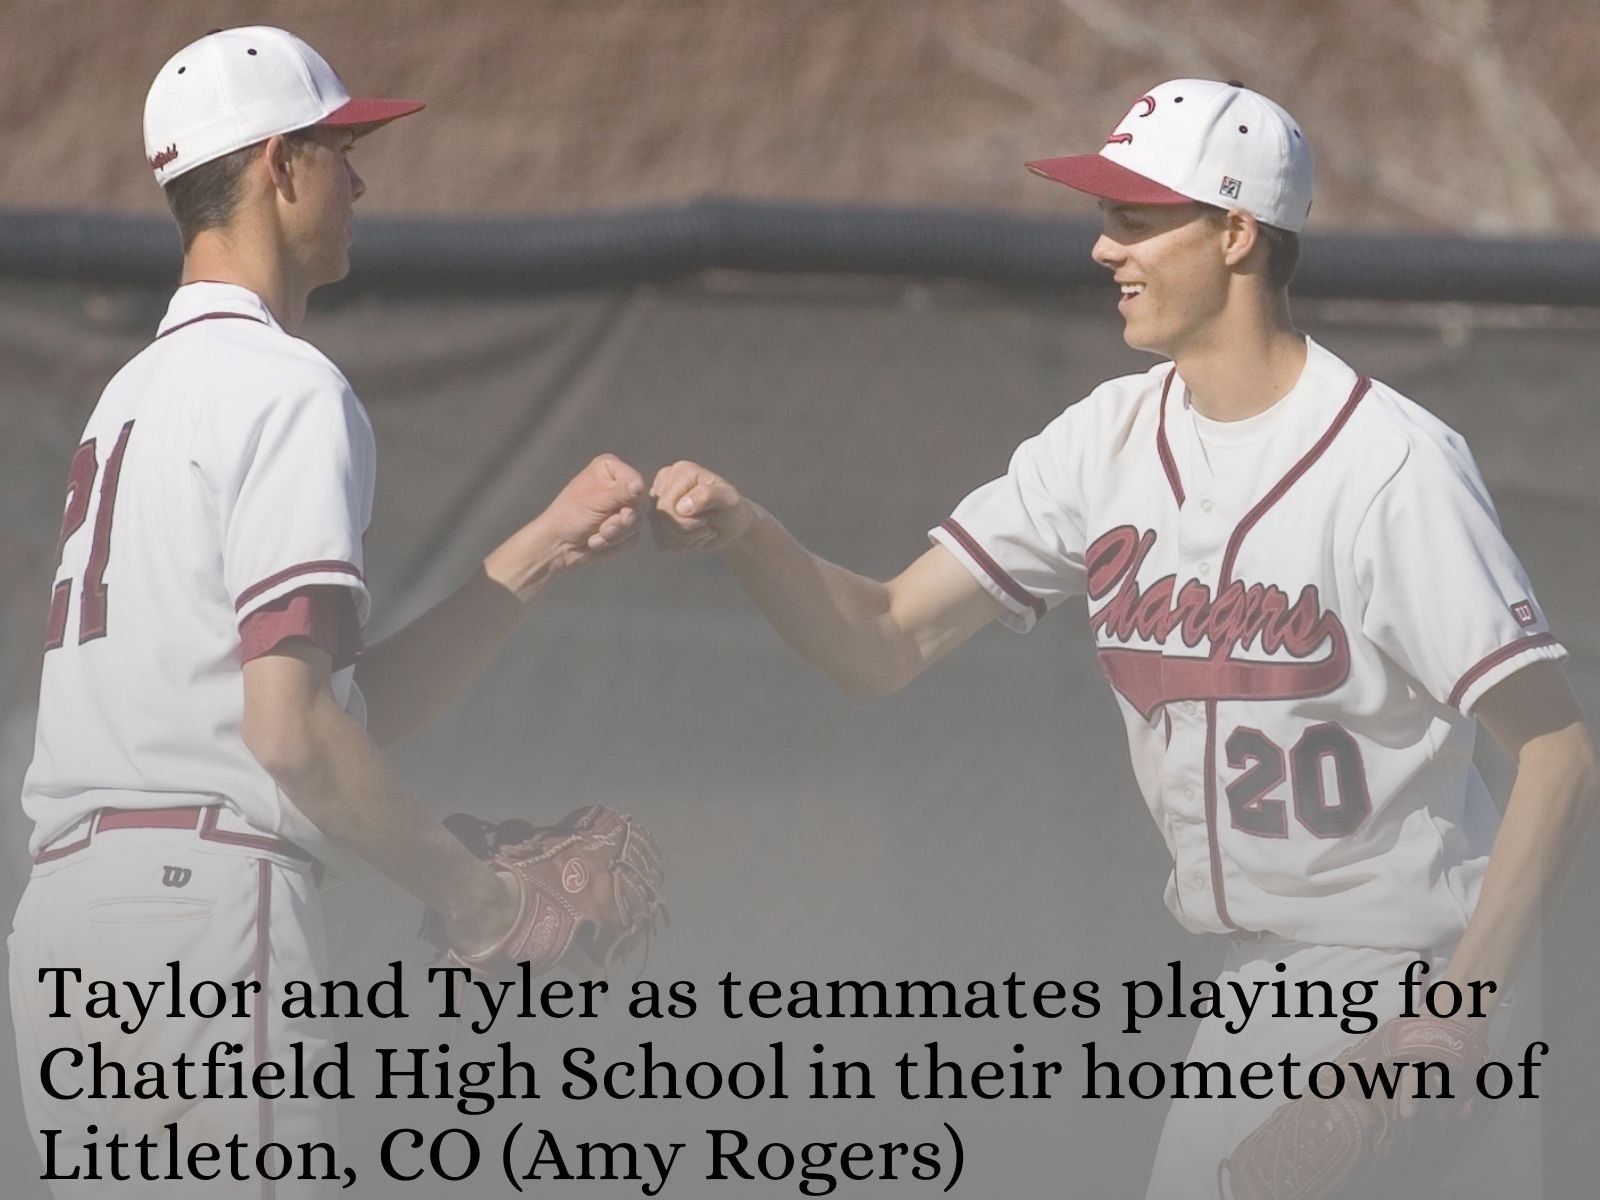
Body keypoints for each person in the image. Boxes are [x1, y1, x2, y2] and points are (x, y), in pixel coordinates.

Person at [648, 79, 1598, 1196]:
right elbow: (884, 640)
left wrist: (1458, 1014)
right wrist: (750, 535)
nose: (1105, 251)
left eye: (1137, 222)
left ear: (1238, 232)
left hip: (1405, 970)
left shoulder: (1389, 465)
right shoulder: (1102, 441)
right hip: (1257, 985)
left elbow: (1553, 751)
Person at [8, 26, 644, 1198]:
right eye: (340, 147)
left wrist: (542, 552)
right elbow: (290, 737)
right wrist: (476, 892)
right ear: (275, 165)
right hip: (204, 913)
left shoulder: (132, 395)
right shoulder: (286, 384)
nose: (360, 178)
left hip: (72, 924)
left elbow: (322, 709)